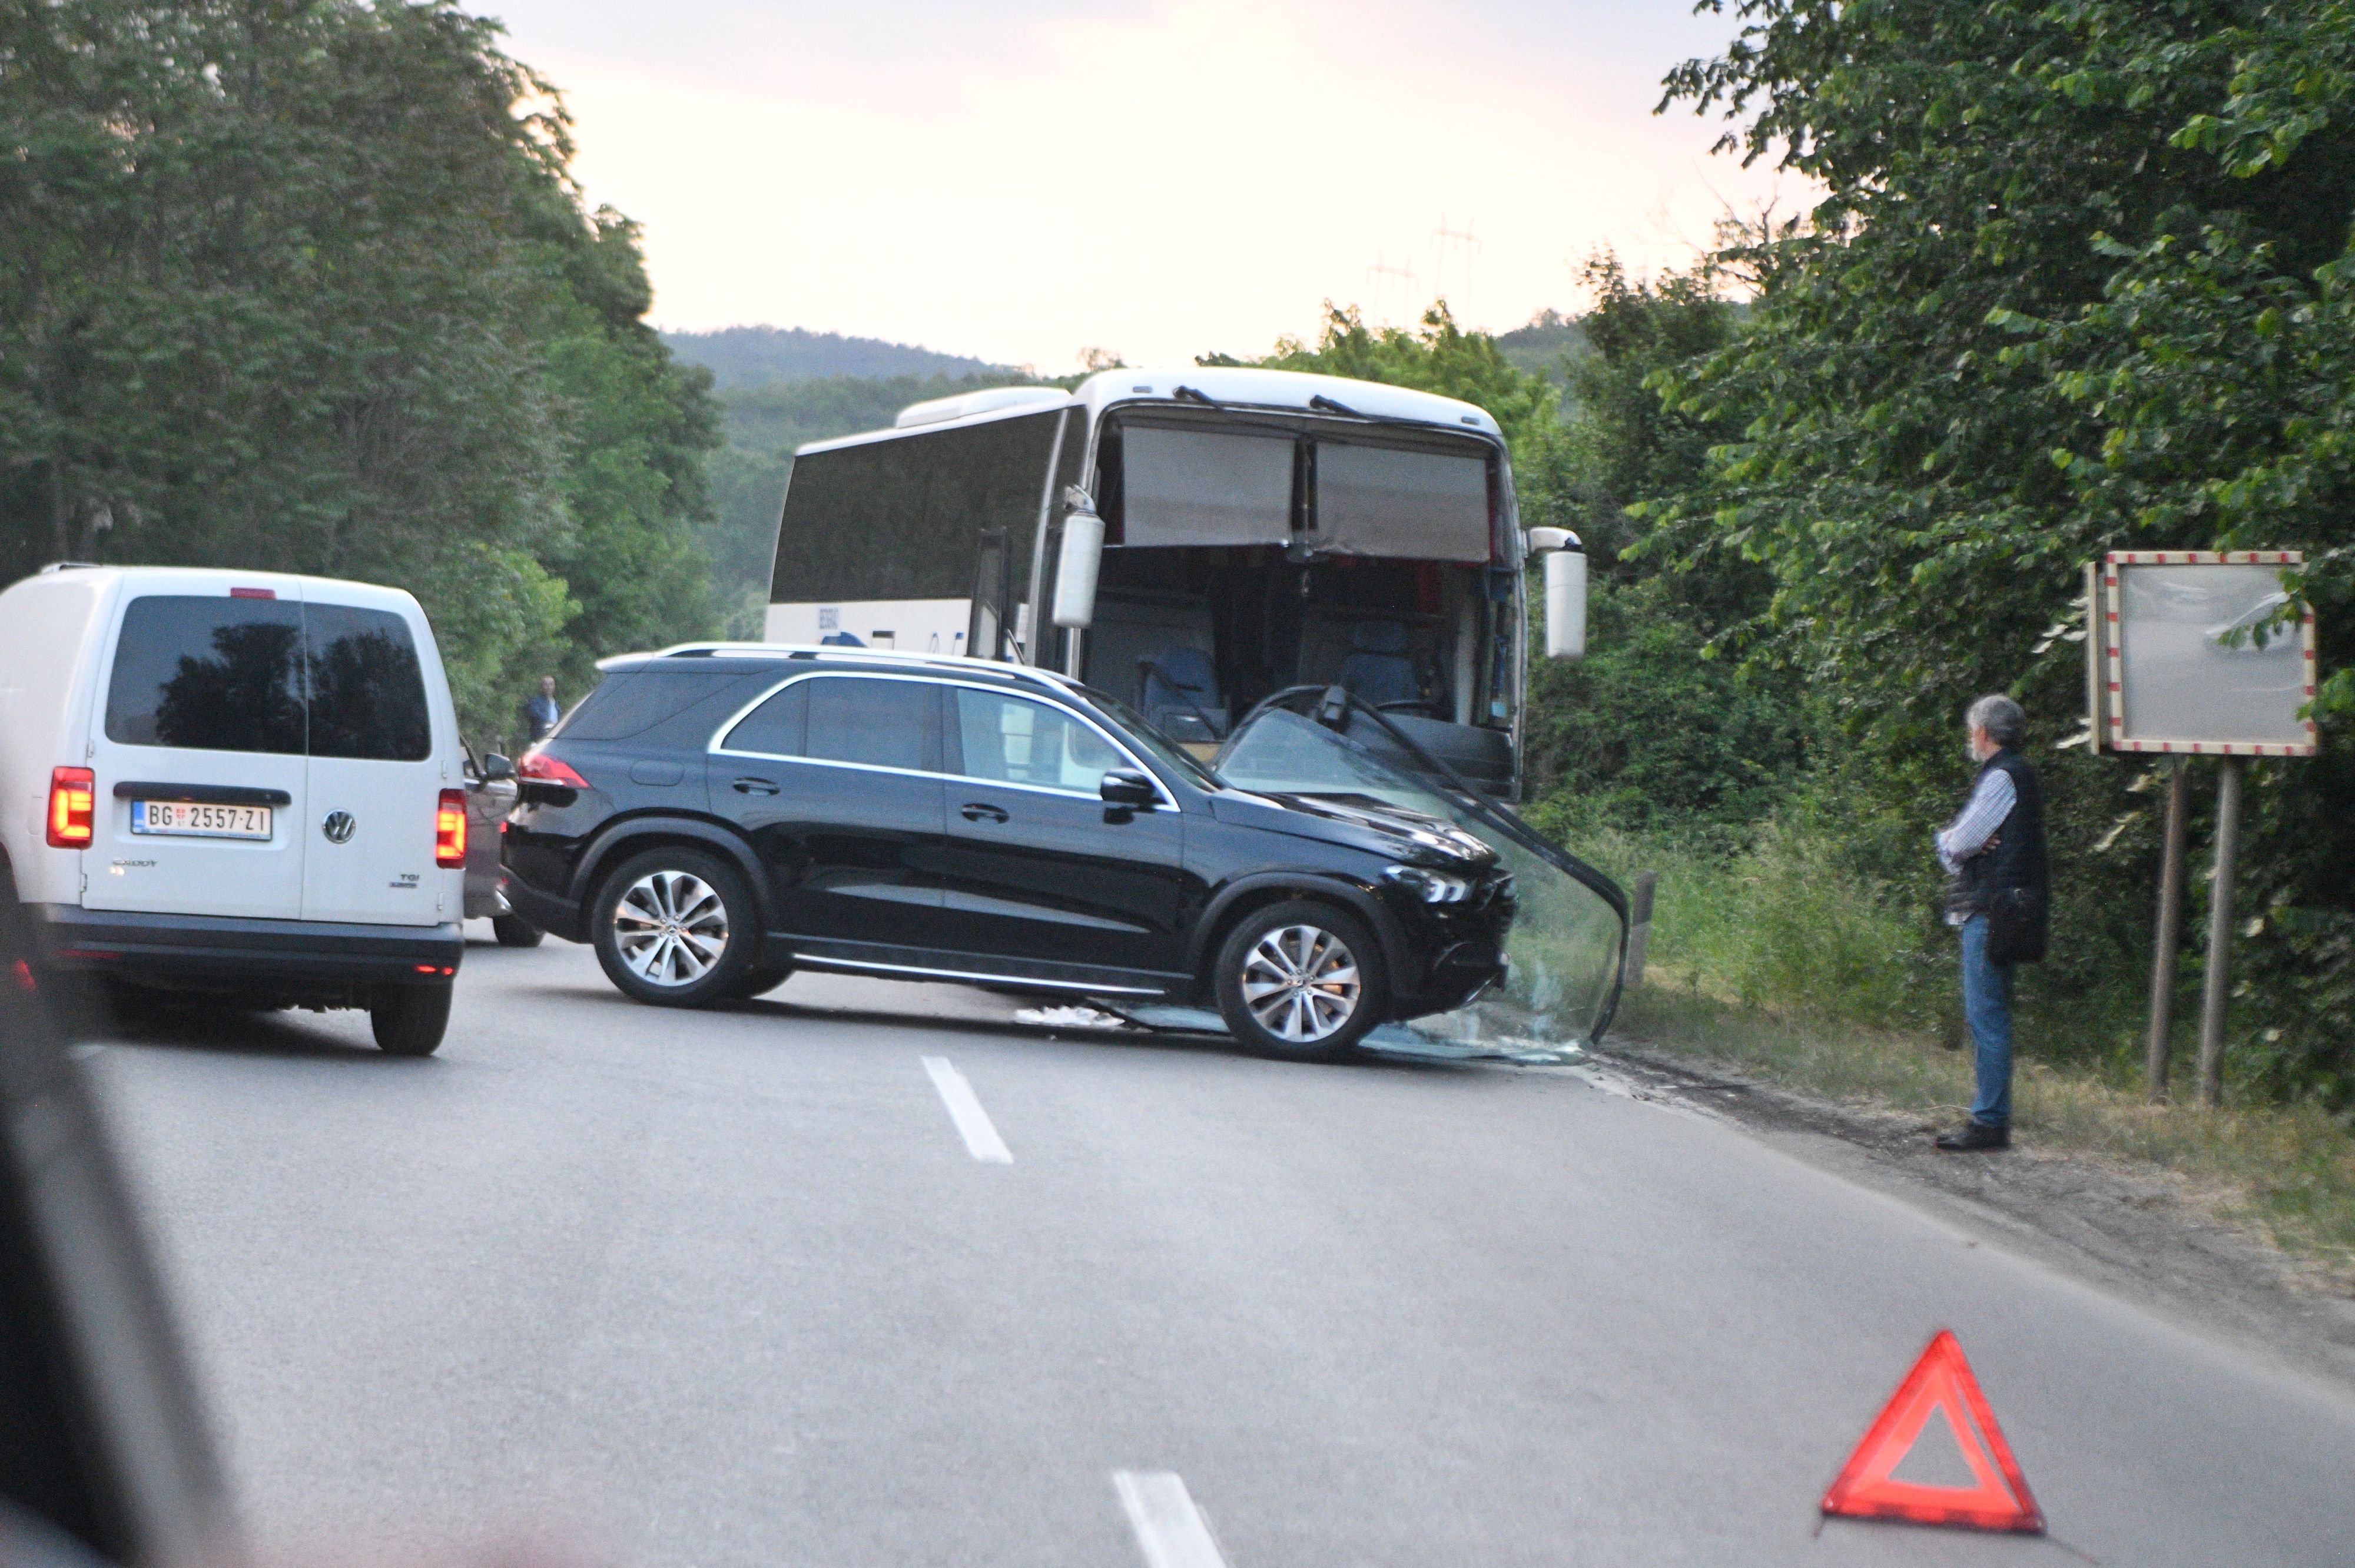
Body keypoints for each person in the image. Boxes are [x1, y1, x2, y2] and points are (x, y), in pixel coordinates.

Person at [1933, 693, 2047, 1152]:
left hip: (1992, 911)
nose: (1970, 739)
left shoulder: (2002, 776)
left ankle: (1990, 1122)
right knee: (1990, 1015)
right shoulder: (2019, 773)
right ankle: (1990, 1117)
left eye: (1971, 731)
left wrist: (1948, 840)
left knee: (1987, 1017)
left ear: (1983, 732)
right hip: (2005, 908)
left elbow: (1959, 844)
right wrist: (1971, 843)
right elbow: (1973, 842)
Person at [526, 674, 561, 742]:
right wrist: (548, 721)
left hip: (554, 737)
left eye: (551, 684)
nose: (549, 687)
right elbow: (534, 713)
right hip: (541, 737)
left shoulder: (556, 704)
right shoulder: (536, 701)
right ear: (542, 687)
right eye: (546, 685)